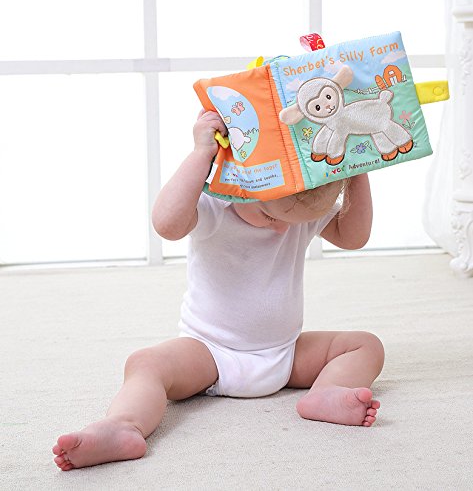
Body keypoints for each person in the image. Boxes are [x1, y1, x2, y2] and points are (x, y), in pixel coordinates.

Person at [53, 110, 384, 471]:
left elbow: (353, 236)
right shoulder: (215, 206)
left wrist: (356, 167)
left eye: (293, 221)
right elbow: (166, 224)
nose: (280, 229)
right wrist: (201, 153)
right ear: (238, 182)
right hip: (209, 351)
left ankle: (326, 392)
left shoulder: (299, 206)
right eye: (269, 216)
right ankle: (123, 425)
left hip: (285, 353)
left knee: (366, 345)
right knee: (146, 363)